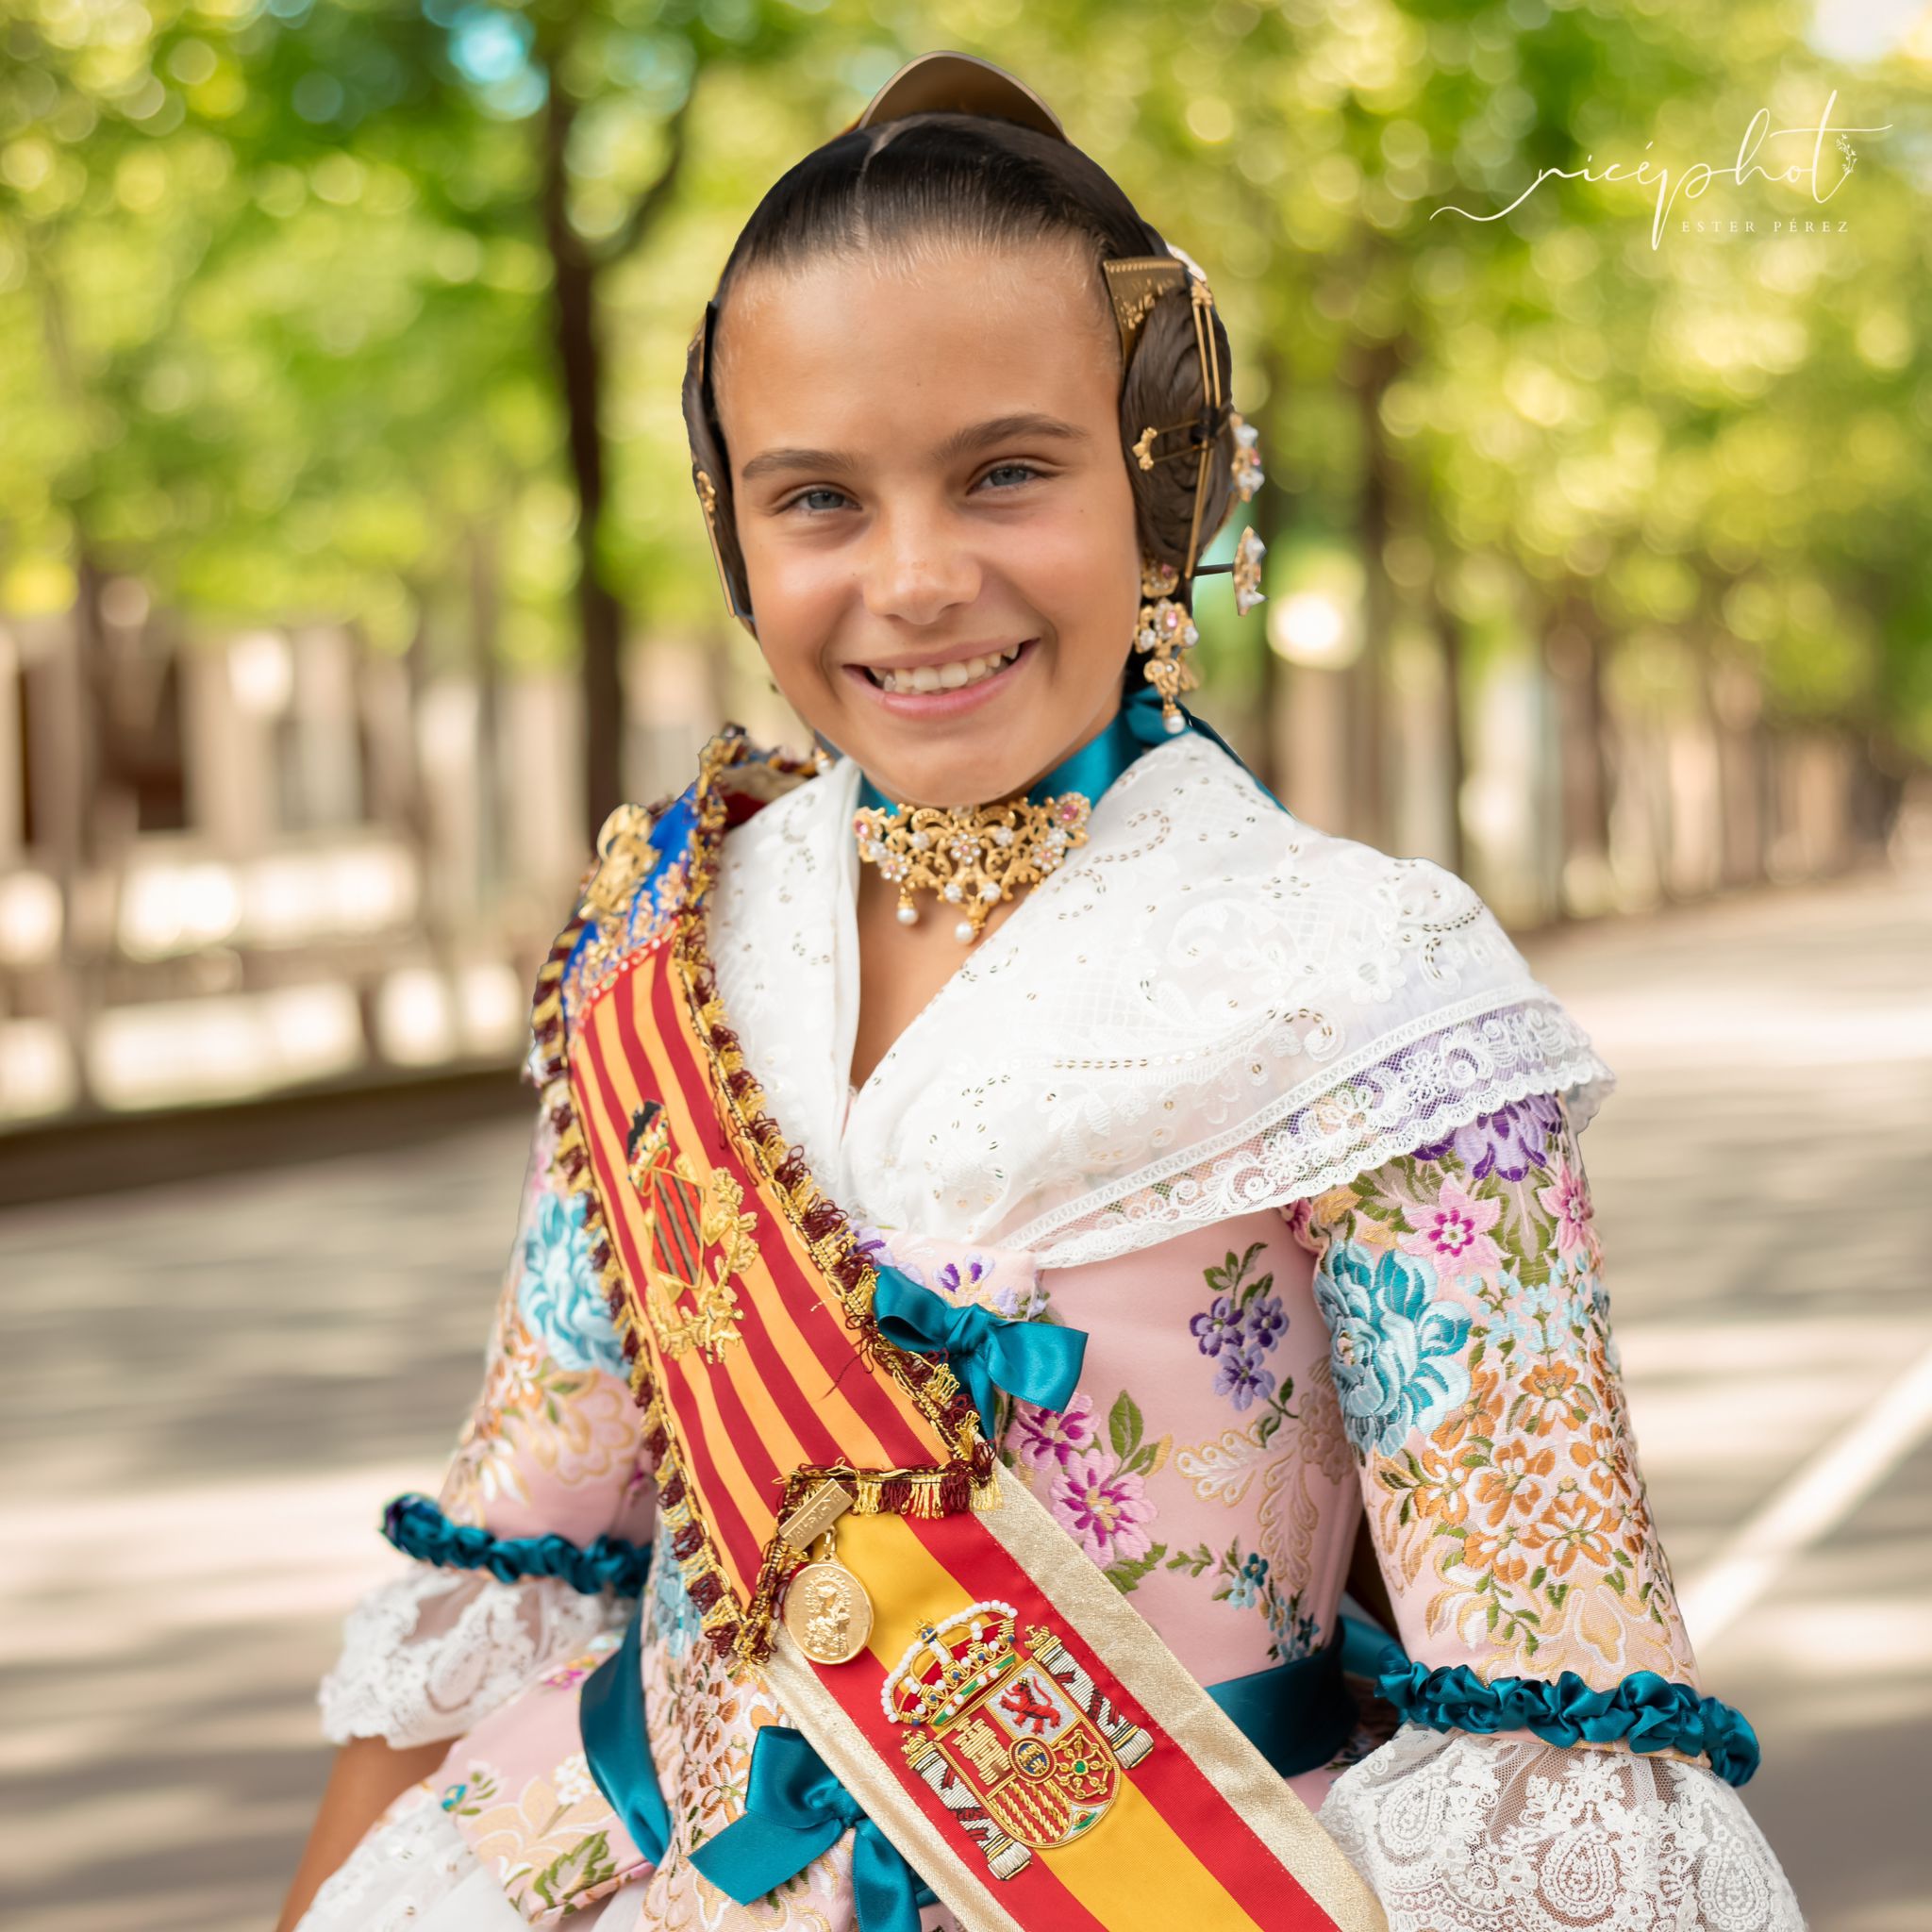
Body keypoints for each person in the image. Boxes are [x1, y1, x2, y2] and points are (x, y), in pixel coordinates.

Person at [277, 51, 1804, 1932]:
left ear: (1163, 485)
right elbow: (518, 1540)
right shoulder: (661, 946)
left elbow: (1547, 1703)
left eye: (1005, 472)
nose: (915, 579)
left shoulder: (1371, 981)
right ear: (734, 531)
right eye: (818, 499)